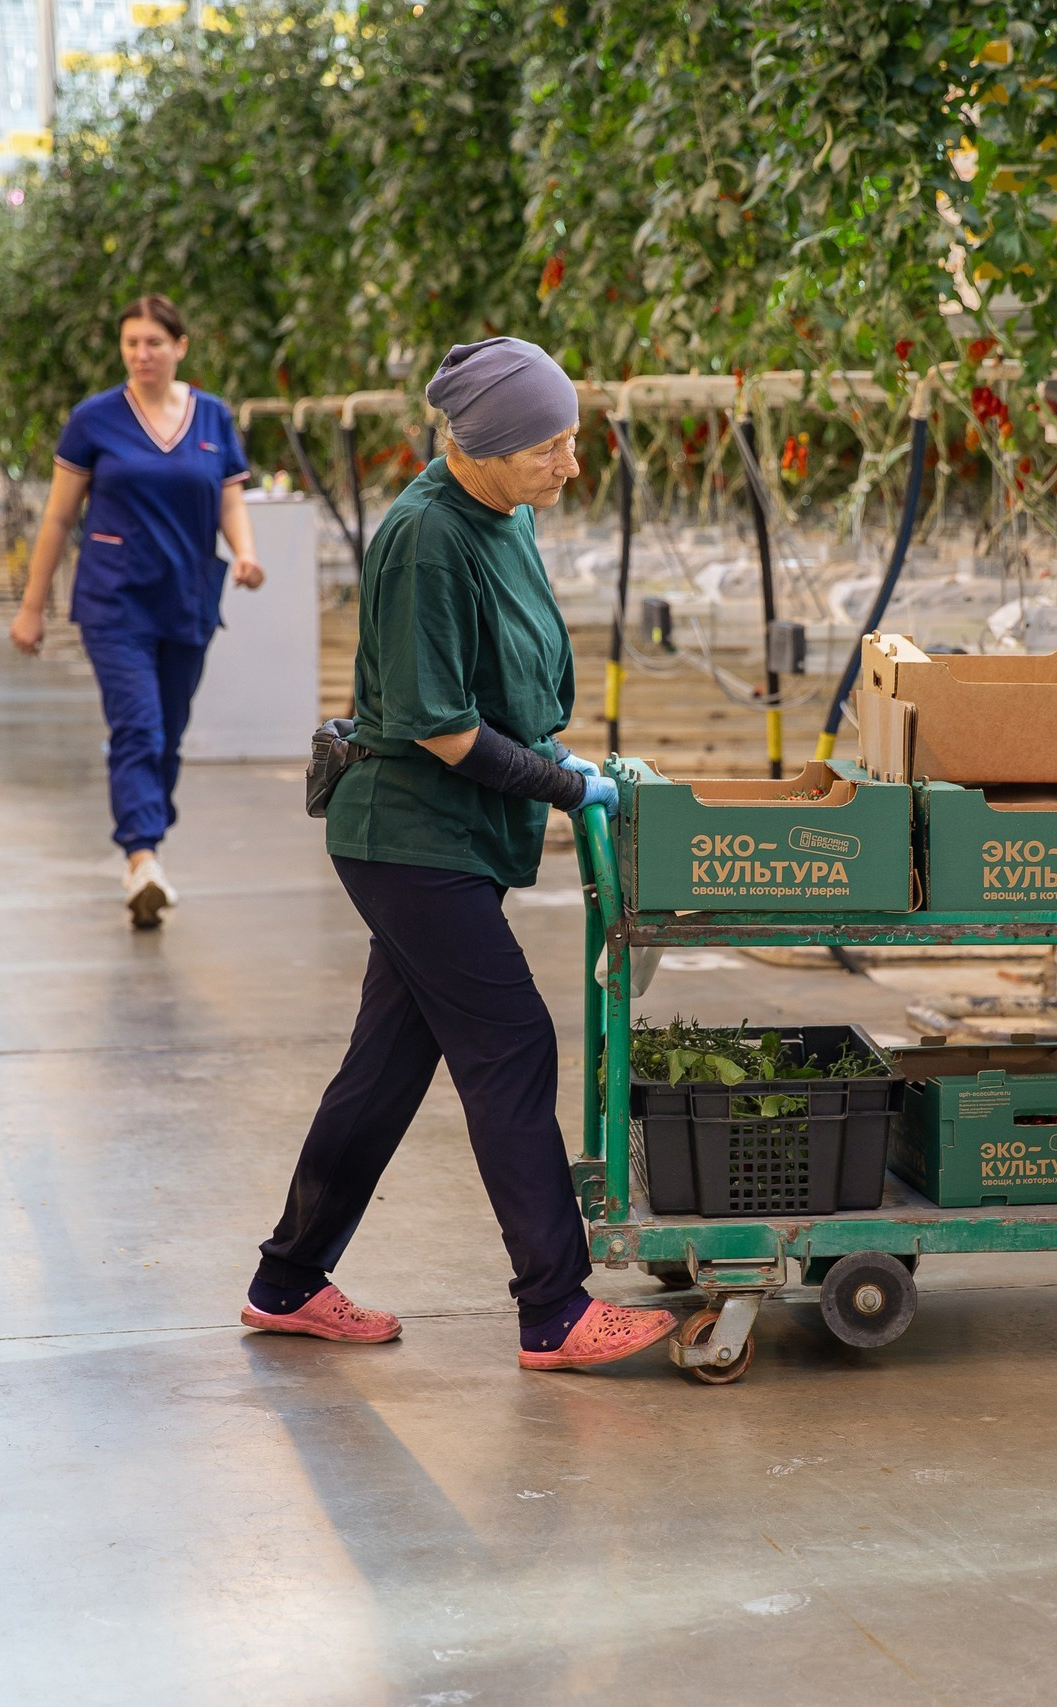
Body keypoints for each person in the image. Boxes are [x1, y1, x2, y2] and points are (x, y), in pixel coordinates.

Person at [243, 337, 676, 1373]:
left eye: (571, 441)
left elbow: (509, 686)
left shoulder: (504, 514)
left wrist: (569, 757)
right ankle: (554, 1309)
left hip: (458, 834)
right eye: (548, 447)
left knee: (385, 1071)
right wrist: (566, 787)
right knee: (512, 1043)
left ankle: (286, 1281)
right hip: (408, 837)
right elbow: (440, 726)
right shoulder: (423, 539)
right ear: (476, 446)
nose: (569, 466)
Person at [12, 294, 264, 928]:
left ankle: (148, 834)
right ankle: (141, 856)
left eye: (154, 342)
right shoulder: (94, 420)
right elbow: (59, 516)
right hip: (113, 600)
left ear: (180, 346)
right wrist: (32, 608)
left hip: (188, 598)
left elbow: (231, 500)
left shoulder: (213, 418)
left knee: (169, 734)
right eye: (131, 343)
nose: (141, 354)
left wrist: (246, 554)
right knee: (139, 728)